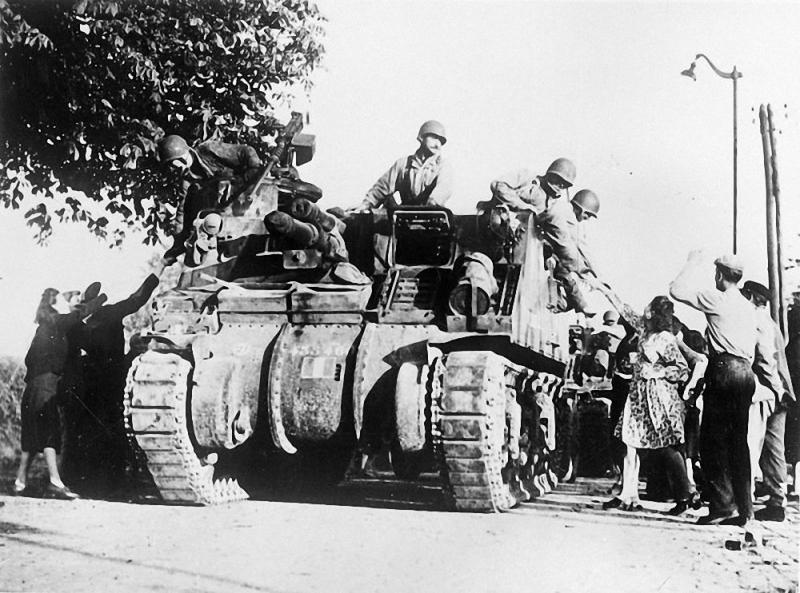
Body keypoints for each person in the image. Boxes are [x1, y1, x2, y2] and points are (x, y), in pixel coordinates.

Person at [670, 251, 758, 526]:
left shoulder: (718, 300)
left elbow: (676, 290)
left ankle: (722, 506)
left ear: (720, 275)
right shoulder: (748, 307)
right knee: (738, 443)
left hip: (724, 371)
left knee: (713, 442)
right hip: (745, 372)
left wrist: (691, 262)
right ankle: (745, 511)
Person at [76, 261, 169, 496]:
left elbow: (137, 299)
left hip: (94, 382)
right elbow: (138, 298)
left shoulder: (84, 323)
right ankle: (118, 484)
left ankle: (97, 483)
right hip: (109, 379)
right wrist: (161, 268)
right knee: (114, 431)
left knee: (97, 432)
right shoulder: (107, 314)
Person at [603, 296, 694, 514]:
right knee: (629, 441)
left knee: (667, 446)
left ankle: (685, 495)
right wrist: (603, 288)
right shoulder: (645, 331)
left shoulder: (666, 339)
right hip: (638, 396)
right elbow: (625, 309)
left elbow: (682, 369)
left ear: (654, 312)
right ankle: (628, 494)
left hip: (660, 399)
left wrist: (658, 371)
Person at [13, 288, 106, 499]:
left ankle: (20, 482)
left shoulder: (43, 327)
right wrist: (101, 299)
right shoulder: (58, 322)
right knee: (50, 433)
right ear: (57, 304)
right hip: (46, 385)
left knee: (30, 434)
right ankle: (55, 482)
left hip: (31, 387)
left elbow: (29, 359)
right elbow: (80, 314)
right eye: (68, 300)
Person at [485, 160, 593, 312]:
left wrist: (585, 270)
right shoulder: (527, 176)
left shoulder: (554, 206)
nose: (560, 186)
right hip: (495, 231)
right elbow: (498, 185)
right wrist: (523, 207)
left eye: (565, 185)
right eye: (559, 180)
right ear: (550, 174)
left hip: (524, 249)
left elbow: (563, 238)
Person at [159, 134, 263, 261]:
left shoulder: (207, 149)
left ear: (184, 155)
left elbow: (246, 151)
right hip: (228, 214)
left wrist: (252, 172)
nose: (173, 167)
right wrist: (179, 242)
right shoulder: (187, 180)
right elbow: (184, 211)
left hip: (250, 193)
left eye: (173, 162)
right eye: (169, 164)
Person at [741, 280, 795, 522]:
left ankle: (747, 503)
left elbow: (765, 359)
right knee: (774, 450)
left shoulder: (756, 320)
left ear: (751, 296)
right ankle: (777, 501)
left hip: (765, 391)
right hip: (780, 393)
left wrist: (774, 388)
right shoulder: (771, 322)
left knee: (752, 444)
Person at [354, 120, 453, 211]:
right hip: (404, 219)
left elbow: (443, 190)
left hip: (431, 219)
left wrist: (431, 205)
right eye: (434, 138)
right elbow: (382, 187)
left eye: (440, 140)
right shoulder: (403, 164)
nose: (437, 144)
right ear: (421, 138)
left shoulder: (443, 166)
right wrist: (367, 204)